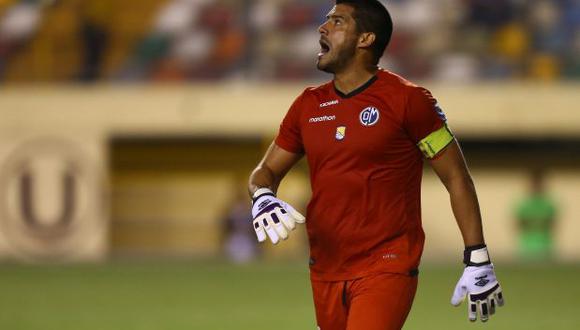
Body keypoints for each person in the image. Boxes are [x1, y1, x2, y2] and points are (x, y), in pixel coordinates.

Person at [248, 1, 504, 329]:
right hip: (325, 267)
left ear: (365, 39)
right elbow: (265, 171)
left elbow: (456, 176)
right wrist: (262, 195)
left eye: (336, 21)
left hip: (387, 264)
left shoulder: (409, 101)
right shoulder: (307, 105)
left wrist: (477, 255)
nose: (322, 28)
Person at [515, 169, 558, 261]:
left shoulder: (547, 204)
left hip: (545, 246)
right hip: (527, 247)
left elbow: (553, 223)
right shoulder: (525, 205)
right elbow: (518, 223)